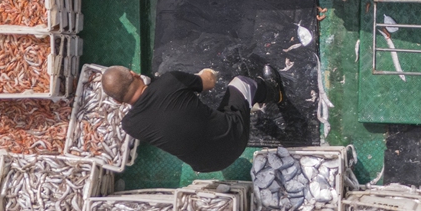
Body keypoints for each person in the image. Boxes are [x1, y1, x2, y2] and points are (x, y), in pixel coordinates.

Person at [101, 63, 285, 174]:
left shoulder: (130, 126)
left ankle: (248, 106)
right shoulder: (169, 81)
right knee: (241, 83)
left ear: (117, 101)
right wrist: (206, 73)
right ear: (134, 74)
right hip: (235, 139)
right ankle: (275, 92)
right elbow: (209, 82)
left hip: (206, 166)